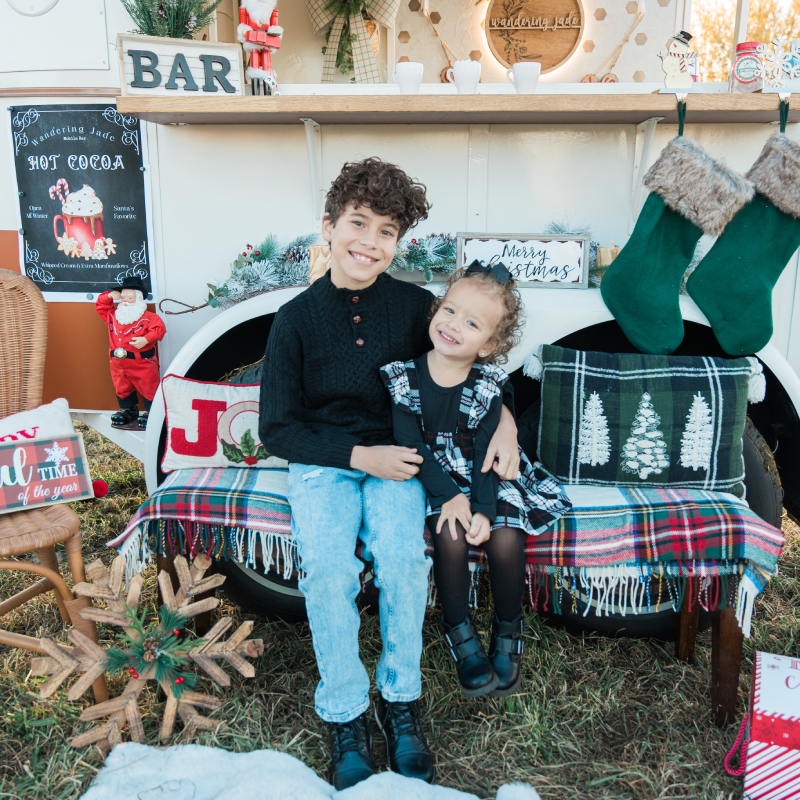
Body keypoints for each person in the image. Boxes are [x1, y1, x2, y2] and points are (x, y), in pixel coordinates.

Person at [259, 158, 521, 790]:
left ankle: (400, 700)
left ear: (398, 242)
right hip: (324, 464)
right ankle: (346, 711)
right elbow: (277, 429)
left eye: (385, 232)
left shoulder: (414, 306)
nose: (368, 242)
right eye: (357, 223)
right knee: (327, 566)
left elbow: (466, 360)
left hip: (402, 458)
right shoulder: (294, 319)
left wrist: (506, 419)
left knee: (404, 556)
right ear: (328, 225)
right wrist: (355, 457)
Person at [380, 262, 571, 699]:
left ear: (490, 344)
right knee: (449, 534)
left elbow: (488, 455)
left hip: (486, 477)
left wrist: (484, 509)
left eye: (471, 323)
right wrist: (449, 497)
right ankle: (460, 634)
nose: (452, 326)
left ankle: (507, 632)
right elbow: (413, 449)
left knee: (504, 537)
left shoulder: (486, 386)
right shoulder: (404, 379)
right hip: (435, 477)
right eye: (448, 310)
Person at [95, 277, 165, 430]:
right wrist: (108, 296)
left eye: (130, 297)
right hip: (118, 363)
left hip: (141, 363)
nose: (125, 300)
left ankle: (152, 412)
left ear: (139, 298)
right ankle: (128, 410)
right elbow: (101, 306)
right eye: (123, 297)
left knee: (149, 386)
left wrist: (146, 339)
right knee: (121, 386)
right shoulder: (113, 315)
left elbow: (159, 329)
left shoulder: (148, 317)